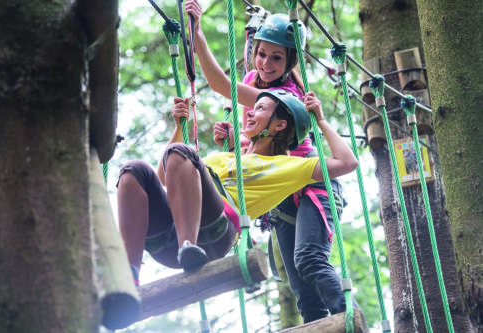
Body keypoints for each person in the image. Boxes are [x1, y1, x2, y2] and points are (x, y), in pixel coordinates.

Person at [185, 0, 356, 322]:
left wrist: (198, 33)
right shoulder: (253, 77)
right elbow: (264, 148)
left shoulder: (284, 94)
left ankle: (350, 318)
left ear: (290, 60)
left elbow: (223, 87)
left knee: (309, 259)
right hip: (281, 191)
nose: (266, 63)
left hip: (310, 183)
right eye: (261, 53)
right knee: (300, 288)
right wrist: (237, 142)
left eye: (276, 57)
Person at [116, 89, 357, 290]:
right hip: (167, 239)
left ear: (280, 124)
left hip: (214, 234)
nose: (250, 112)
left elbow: (347, 162)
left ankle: (188, 248)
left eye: (261, 108)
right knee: (133, 170)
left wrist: (321, 120)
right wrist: (179, 127)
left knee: (182, 152)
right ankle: (129, 274)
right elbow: (162, 180)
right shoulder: (222, 158)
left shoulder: (287, 166)